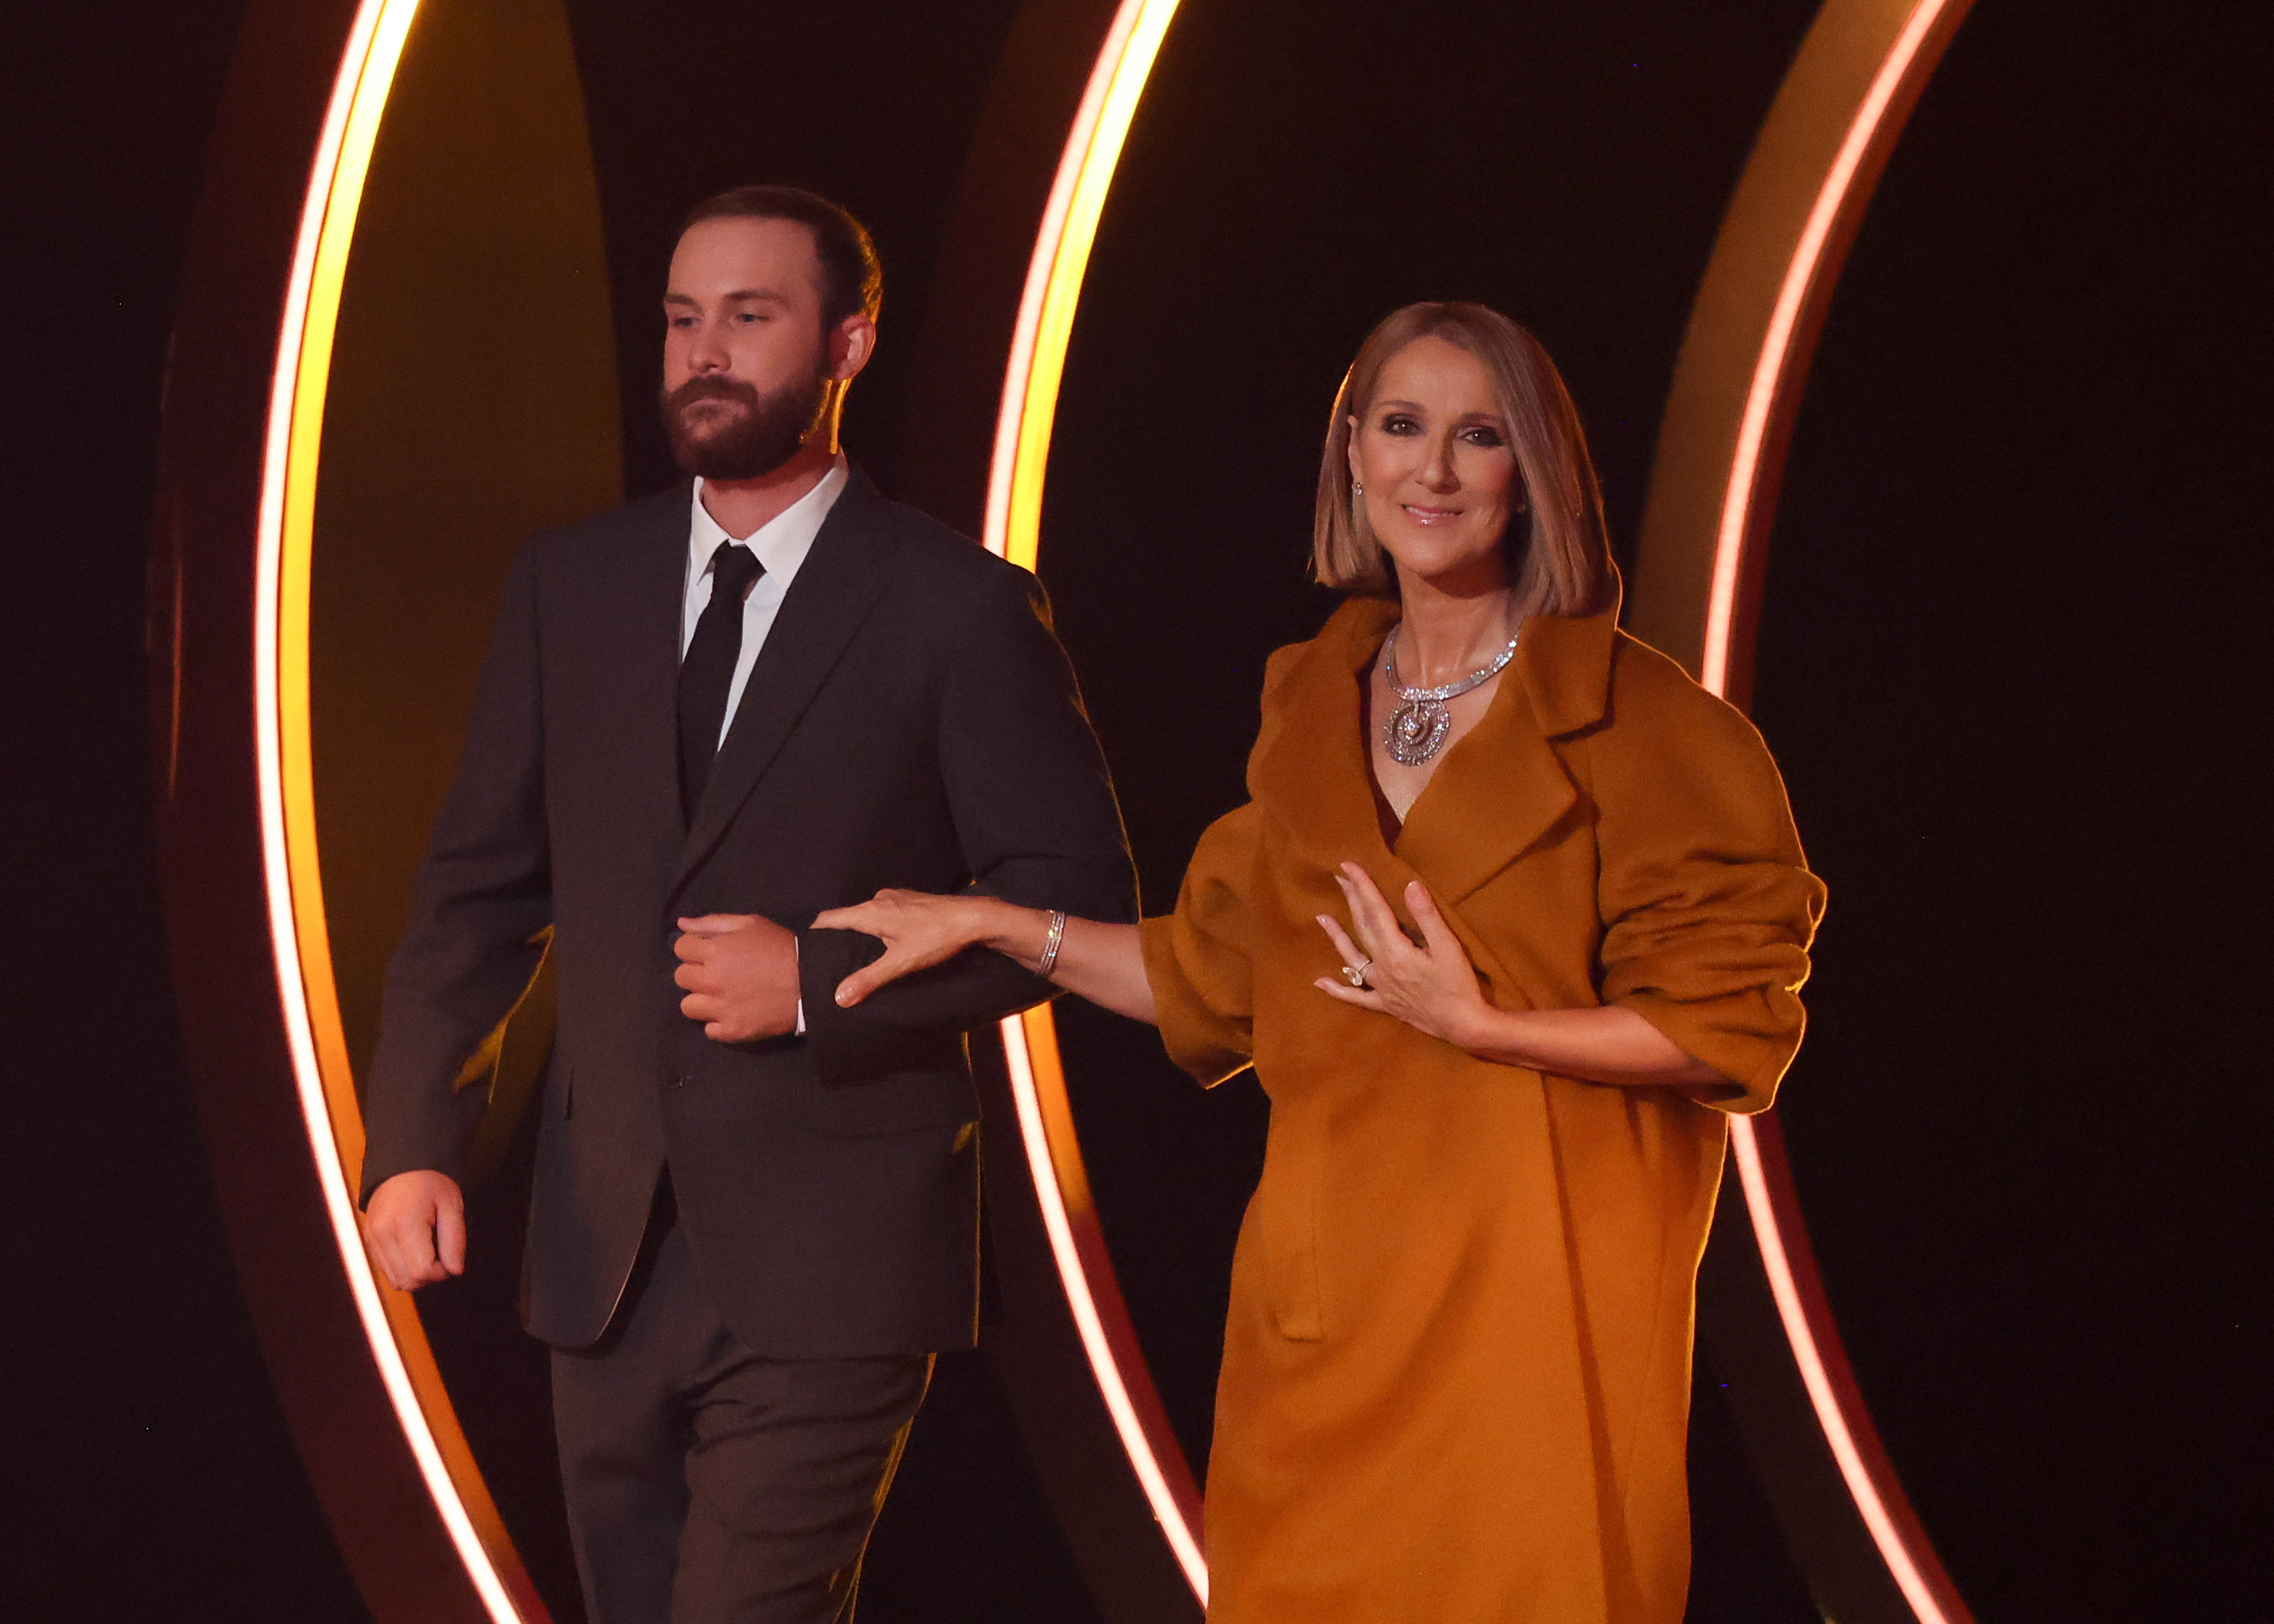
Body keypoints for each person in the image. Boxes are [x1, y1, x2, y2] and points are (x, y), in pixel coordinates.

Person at [813, 302, 1826, 1623]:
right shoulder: (1308, 713)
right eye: (1402, 428)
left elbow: (1724, 1026)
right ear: (1352, 454)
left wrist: (1483, 1025)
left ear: (1537, 472)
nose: (1436, 472)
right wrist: (1005, 927)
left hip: (1533, 1327)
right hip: (1321, 1328)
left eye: (1481, 436)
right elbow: (1217, 979)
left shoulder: (1654, 732)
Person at [355, 185, 1135, 1624]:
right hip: (600, 1257)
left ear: (848, 345)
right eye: (681, 318)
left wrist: (821, 974)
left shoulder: (958, 604)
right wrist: (413, 1141)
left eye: (750, 316)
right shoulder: (569, 583)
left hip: (836, 1257)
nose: (704, 350)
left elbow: (1069, 903)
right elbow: (478, 886)